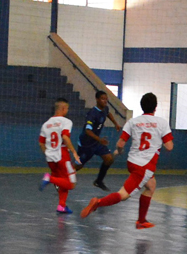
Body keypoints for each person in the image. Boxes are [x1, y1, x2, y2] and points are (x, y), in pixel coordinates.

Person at [80, 92, 173, 229]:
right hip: (144, 166)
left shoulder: (133, 122)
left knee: (151, 185)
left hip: (132, 162)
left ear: (142, 106)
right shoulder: (162, 123)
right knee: (123, 194)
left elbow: (120, 144)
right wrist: (159, 141)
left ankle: (141, 220)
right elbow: (169, 147)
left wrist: (120, 151)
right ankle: (98, 203)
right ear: (155, 107)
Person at [38, 97, 81, 214]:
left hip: (50, 157)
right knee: (71, 183)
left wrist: (47, 152)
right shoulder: (66, 121)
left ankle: (61, 206)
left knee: (62, 181)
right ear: (63, 108)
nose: (67, 110)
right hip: (62, 155)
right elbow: (65, 137)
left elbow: (41, 142)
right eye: (67, 108)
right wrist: (74, 152)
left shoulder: (46, 124)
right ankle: (49, 178)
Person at [75, 90, 122, 191]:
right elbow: (88, 131)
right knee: (78, 166)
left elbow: (108, 113)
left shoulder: (105, 109)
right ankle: (60, 178)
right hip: (86, 144)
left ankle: (99, 181)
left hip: (96, 142)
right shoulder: (92, 114)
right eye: (102, 99)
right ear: (97, 99)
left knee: (109, 159)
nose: (105, 101)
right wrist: (100, 140)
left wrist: (115, 123)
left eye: (106, 99)